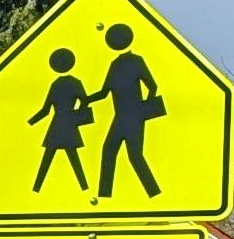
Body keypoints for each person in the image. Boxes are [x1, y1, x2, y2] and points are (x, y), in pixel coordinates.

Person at [95, 23, 166, 200]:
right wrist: (85, 100)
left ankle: (154, 193)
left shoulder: (136, 61)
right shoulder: (115, 64)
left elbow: (152, 86)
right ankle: (104, 195)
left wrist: (143, 109)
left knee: (134, 155)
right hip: (120, 117)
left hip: (134, 117)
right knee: (109, 150)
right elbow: (105, 92)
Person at [27, 48, 96, 195]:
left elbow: (46, 110)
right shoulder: (75, 83)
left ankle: (36, 189)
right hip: (69, 123)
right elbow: (85, 102)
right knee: (71, 157)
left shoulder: (56, 84)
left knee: (49, 158)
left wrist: (31, 122)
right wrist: (75, 115)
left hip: (58, 124)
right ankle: (84, 188)